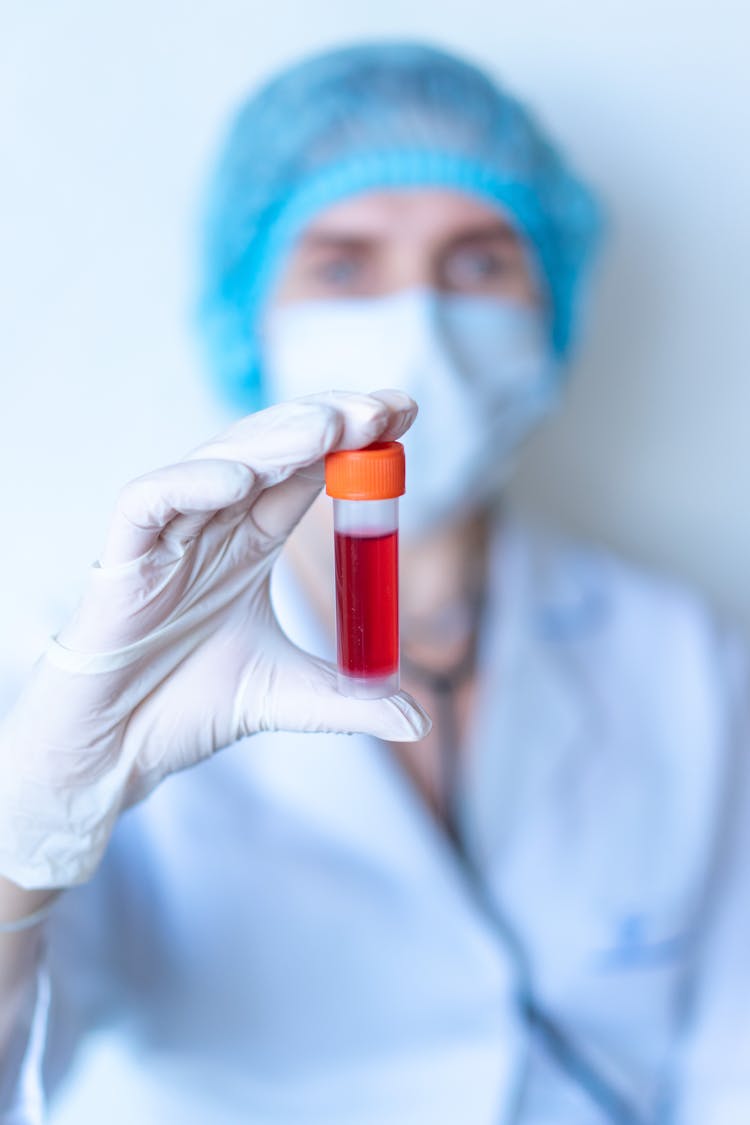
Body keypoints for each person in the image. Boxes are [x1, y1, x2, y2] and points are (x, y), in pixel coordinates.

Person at [1, 41, 748, 1125]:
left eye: (481, 262)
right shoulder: (89, 676)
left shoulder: (685, 658)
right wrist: (22, 851)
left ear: (557, 308)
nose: (422, 328)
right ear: (246, 311)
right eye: (344, 266)